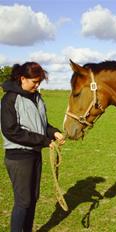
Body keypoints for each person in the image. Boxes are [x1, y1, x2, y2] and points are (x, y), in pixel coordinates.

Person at [0, 62, 65, 232]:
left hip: (34, 153)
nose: (37, 86)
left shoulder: (36, 97)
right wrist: (44, 141)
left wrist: (54, 133)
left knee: (33, 198)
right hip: (18, 157)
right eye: (34, 82)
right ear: (22, 78)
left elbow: (41, 124)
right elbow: (11, 131)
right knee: (23, 201)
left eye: (39, 83)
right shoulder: (9, 99)